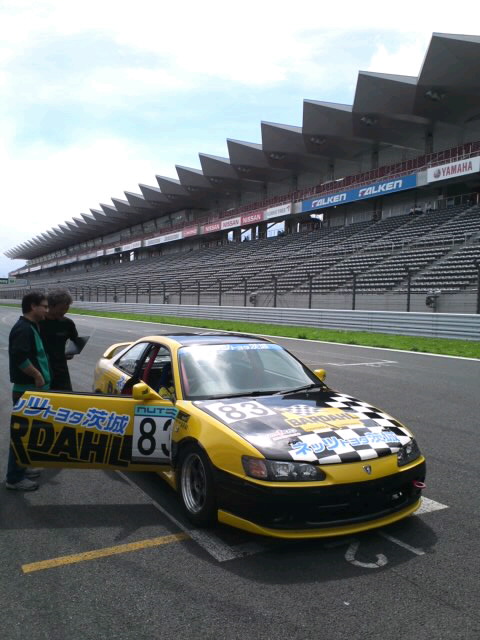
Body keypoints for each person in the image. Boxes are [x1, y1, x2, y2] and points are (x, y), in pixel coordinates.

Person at [7, 291, 51, 491]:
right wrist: (37, 375)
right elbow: (19, 356)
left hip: (33, 390)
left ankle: (21, 469)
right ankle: (14, 478)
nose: (47, 310)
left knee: (27, 433)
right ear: (33, 306)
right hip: (27, 390)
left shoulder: (31, 326)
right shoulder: (23, 328)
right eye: (44, 306)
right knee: (21, 434)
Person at [39, 289, 79, 391]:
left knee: (65, 397)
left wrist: (71, 352)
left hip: (61, 369)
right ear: (51, 306)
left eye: (66, 309)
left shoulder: (68, 323)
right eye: (61, 309)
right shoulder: (38, 322)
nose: (64, 312)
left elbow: (76, 340)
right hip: (40, 369)